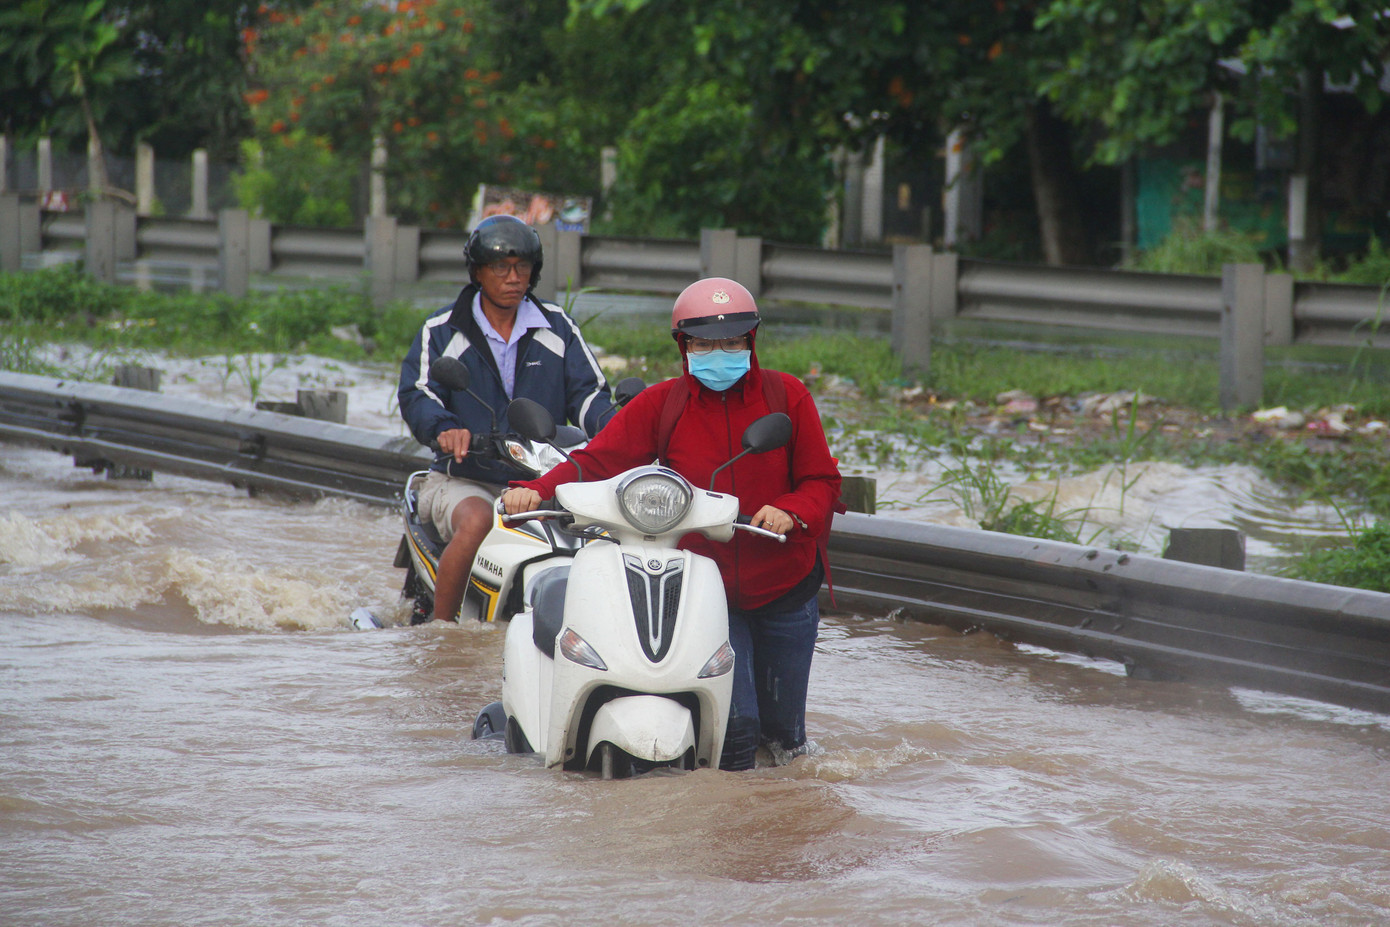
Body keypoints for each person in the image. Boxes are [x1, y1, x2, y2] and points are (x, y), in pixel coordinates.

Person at [502, 277, 842, 770]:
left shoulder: (786, 396)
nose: (718, 352)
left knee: (788, 739)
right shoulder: (665, 403)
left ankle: (784, 831)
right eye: (703, 342)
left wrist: (790, 510)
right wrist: (539, 487)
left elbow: (821, 481)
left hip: (786, 585)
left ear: (752, 341)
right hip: (709, 592)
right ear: (684, 347)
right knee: (737, 728)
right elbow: (598, 460)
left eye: (731, 342)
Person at [398, 215, 616, 624]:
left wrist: (618, 430)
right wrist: (445, 428)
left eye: (522, 267)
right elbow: (418, 392)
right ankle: (441, 635)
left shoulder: (557, 326)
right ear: (478, 271)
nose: (513, 277)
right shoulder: (442, 330)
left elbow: (589, 394)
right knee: (479, 519)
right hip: (463, 477)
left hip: (544, 479)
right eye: (501, 267)